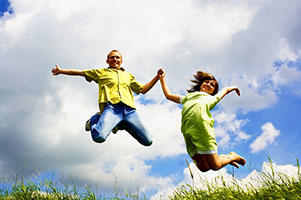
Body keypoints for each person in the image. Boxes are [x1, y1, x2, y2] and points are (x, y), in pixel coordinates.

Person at [52, 50, 161, 146]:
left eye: (117, 57)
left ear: (121, 61)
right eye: (112, 57)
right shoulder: (101, 73)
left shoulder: (128, 76)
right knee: (99, 137)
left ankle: (122, 123)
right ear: (107, 61)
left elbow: (143, 89)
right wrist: (61, 71)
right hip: (112, 108)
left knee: (148, 141)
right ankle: (94, 120)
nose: (115, 59)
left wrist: (157, 77)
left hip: (130, 111)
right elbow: (80, 72)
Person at [158, 69, 246, 172]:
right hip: (188, 132)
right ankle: (226, 159)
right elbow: (168, 96)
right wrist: (162, 79)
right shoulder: (188, 97)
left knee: (215, 166)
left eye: (212, 85)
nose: (208, 84)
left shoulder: (211, 98)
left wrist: (234, 87)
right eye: (206, 82)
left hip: (203, 131)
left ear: (213, 92)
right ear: (201, 85)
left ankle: (232, 156)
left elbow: (225, 90)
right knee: (204, 168)